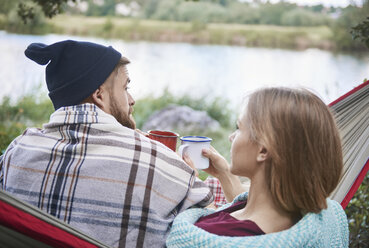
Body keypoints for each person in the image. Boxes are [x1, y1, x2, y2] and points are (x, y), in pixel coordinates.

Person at [0, 40, 213, 248]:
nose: (131, 100)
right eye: (125, 87)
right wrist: (186, 171)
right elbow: (209, 227)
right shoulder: (157, 160)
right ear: (99, 95)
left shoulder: (17, 151)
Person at [167, 87, 349, 247]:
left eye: (239, 128)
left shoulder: (205, 237)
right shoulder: (324, 216)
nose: (231, 136)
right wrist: (225, 174)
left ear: (263, 150)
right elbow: (245, 213)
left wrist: (191, 188)